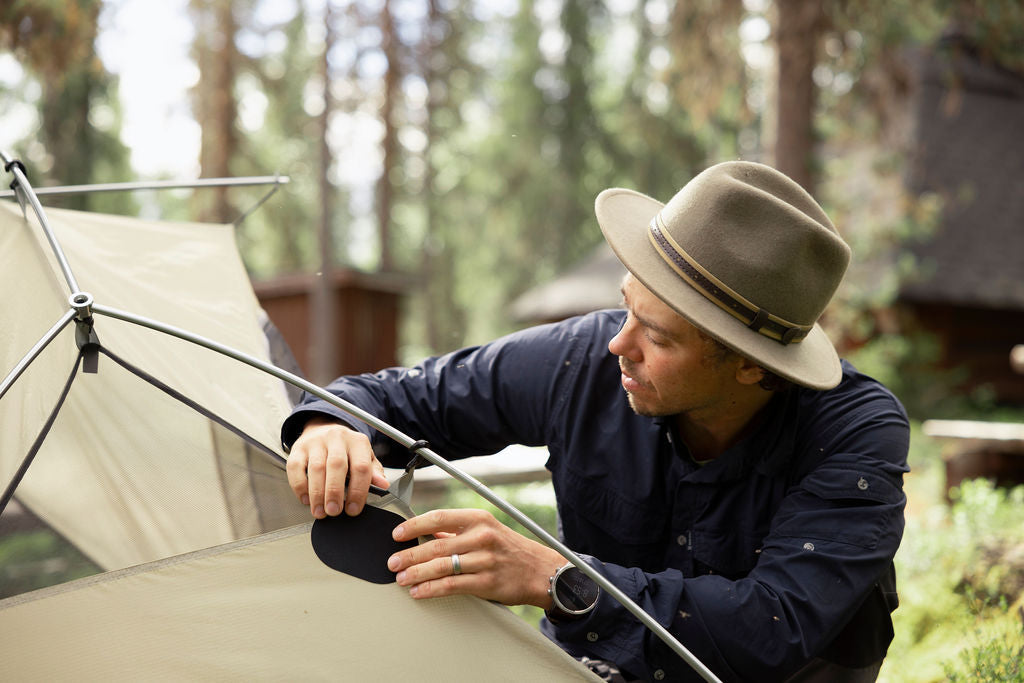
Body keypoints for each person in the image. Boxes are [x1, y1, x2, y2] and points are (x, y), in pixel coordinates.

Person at [282, 161, 910, 682]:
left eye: (657, 335)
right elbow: (391, 396)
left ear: (749, 367)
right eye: (625, 307)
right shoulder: (584, 358)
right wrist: (332, 426)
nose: (619, 344)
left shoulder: (854, 431)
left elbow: (776, 626)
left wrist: (555, 578)